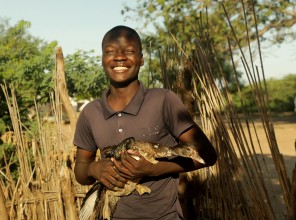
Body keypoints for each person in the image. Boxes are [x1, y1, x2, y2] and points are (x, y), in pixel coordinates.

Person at [73, 25, 217, 219]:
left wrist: (155, 169)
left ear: (141, 59)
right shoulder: (91, 112)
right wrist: (94, 168)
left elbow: (207, 155)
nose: (119, 57)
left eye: (129, 51)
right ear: (103, 60)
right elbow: (81, 170)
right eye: (110, 52)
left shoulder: (163, 101)